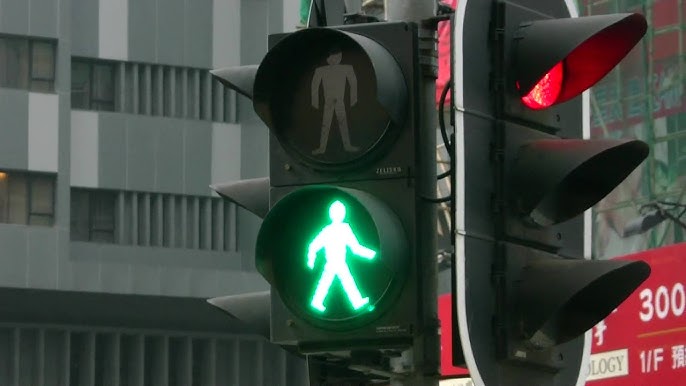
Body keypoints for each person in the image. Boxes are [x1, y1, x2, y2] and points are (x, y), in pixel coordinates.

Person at [307, 201, 376, 312]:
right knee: (343, 281)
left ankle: (317, 302)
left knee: (332, 282)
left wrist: (311, 260)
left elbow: (313, 246)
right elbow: (355, 248)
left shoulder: (330, 229)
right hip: (336, 262)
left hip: (336, 262)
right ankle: (355, 302)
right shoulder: (341, 229)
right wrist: (371, 255)